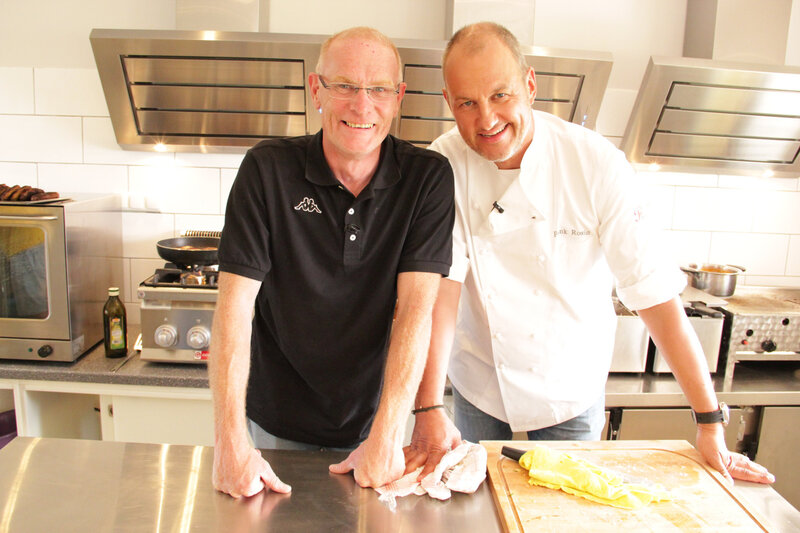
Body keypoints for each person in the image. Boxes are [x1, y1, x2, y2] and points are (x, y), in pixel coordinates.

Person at [402, 22, 774, 485]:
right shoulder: (445, 162)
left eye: (500, 95)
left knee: (572, 503)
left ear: (530, 85)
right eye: (467, 103)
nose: (487, 119)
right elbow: (443, 293)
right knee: (474, 503)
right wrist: (428, 406)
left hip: (569, 390)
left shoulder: (594, 163)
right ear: (448, 102)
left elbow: (654, 295)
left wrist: (709, 421)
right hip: (480, 384)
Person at [210, 26, 455, 498]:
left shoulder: (427, 179)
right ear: (316, 89)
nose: (362, 106)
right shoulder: (267, 169)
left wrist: (388, 434)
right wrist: (230, 442)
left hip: (376, 423)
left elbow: (416, 310)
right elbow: (234, 308)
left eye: (379, 89)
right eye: (344, 86)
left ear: (398, 97)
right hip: (275, 423)